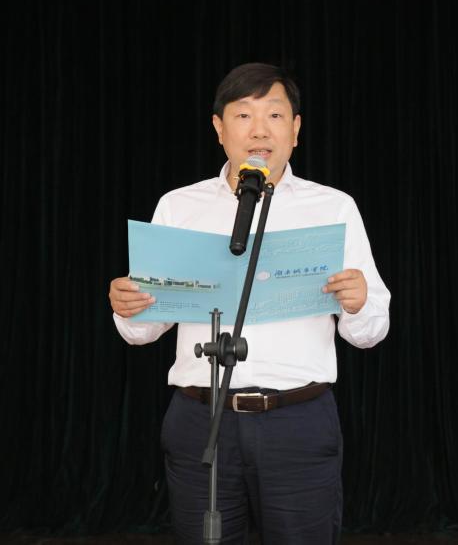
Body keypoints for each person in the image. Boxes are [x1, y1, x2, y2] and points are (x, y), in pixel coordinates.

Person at [109, 62, 390, 544]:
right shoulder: (180, 206)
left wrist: (359, 302)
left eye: (275, 116)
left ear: (296, 130)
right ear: (219, 128)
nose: (260, 130)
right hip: (202, 419)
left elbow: (369, 332)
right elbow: (142, 332)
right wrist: (128, 306)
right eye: (243, 115)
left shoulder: (332, 207)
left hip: (298, 422)